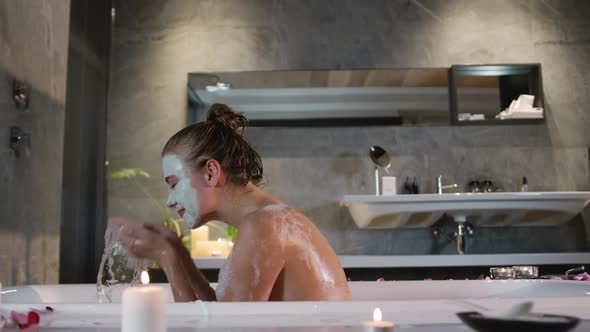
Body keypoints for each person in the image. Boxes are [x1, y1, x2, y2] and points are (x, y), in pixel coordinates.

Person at [109, 103, 351, 302]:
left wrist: (166, 257)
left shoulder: (264, 226)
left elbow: (220, 329)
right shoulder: (269, 219)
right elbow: (222, 315)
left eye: (173, 184)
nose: (170, 200)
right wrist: (179, 254)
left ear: (211, 173)